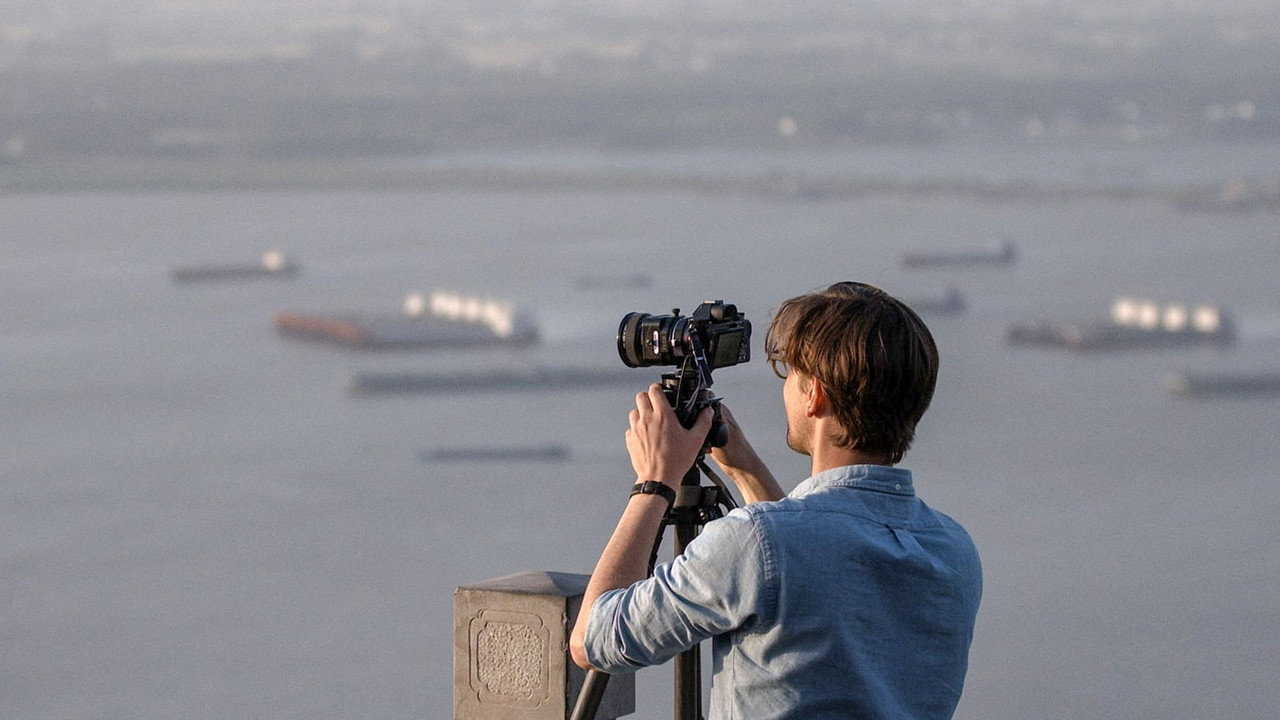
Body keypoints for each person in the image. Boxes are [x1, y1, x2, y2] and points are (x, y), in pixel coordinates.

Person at [569, 281, 983, 720]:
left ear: (815, 394)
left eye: (790, 376)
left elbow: (595, 639)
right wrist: (743, 464)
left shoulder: (758, 543)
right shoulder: (954, 551)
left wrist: (655, 480)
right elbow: (811, 569)